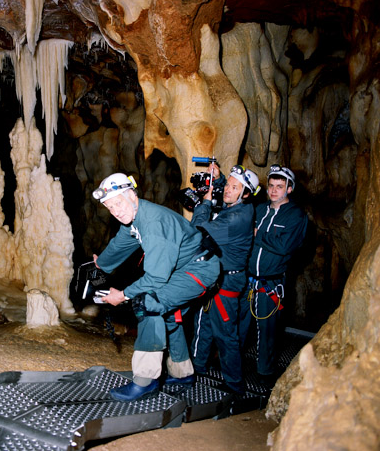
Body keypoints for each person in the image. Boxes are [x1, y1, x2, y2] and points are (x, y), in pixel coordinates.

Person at [92, 173, 221, 402]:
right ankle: (183, 374)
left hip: (199, 270)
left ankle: (146, 381)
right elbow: (122, 242)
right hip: (185, 268)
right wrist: (101, 262)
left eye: (118, 203)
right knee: (169, 316)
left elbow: (155, 280)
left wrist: (122, 295)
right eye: (110, 208)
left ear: (132, 195)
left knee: (148, 303)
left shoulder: (153, 223)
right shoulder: (136, 217)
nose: (116, 211)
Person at [190, 164, 258, 395]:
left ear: (246, 194)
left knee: (225, 334)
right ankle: (197, 367)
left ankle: (234, 384)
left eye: (234, 187)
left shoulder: (236, 218)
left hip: (227, 282)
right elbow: (229, 196)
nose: (227, 190)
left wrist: (206, 202)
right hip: (220, 277)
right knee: (206, 326)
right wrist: (218, 181)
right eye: (227, 185)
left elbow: (197, 230)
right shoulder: (240, 207)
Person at [238, 165, 308, 387]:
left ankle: (264, 374)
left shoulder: (295, 216)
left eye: (280, 187)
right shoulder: (259, 210)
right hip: (248, 280)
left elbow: (285, 246)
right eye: (271, 186)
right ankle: (233, 370)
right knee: (239, 327)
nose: (274, 190)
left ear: (289, 189)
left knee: (266, 332)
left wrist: (257, 235)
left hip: (271, 283)